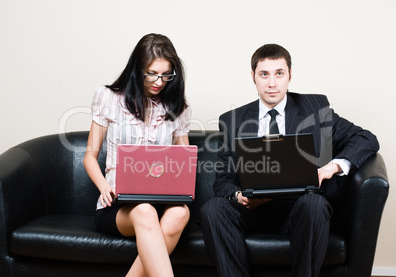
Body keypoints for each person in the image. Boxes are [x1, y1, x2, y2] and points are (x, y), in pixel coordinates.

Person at [200, 43, 379, 277]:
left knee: (314, 203)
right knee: (213, 207)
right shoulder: (232, 120)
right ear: (253, 76)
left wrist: (332, 166)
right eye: (264, 74)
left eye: (279, 74)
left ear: (289, 76)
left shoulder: (315, 109)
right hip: (255, 212)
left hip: (301, 210)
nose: (272, 83)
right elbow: (223, 180)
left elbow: (366, 138)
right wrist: (239, 196)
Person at [83, 33, 191, 277]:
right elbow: (89, 156)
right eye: (152, 73)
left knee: (180, 212)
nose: (159, 82)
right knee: (144, 210)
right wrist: (103, 187)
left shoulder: (178, 106)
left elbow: (185, 163)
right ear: (137, 68)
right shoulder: (108, 97)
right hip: (118, 205)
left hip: (160, 201)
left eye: (166, 75)